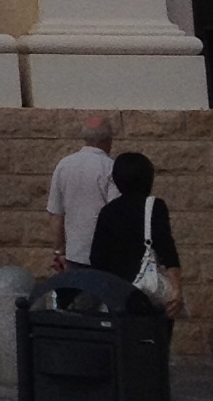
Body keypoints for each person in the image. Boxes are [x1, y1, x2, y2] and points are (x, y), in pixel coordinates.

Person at [89, 149, 182, 316]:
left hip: (117, 293)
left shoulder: (107, 211)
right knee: (153, 338)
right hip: (149, 293)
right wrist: (176, 288)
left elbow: (97, 258)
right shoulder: (155, 207)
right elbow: (166, 248)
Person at [45, 114, 116, 271]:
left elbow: (55, 214)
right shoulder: (110, 168)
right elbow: (115, 213)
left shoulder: (64, 165)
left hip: (73, 255)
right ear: (107, 139)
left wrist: (58, 251)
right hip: (104, 257)